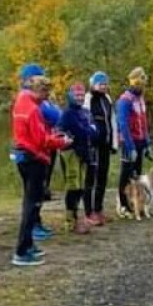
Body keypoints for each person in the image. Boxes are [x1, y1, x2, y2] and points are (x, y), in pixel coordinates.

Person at [10, 71, 70, 267]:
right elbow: (41, 140)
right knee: (31, 205)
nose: (47, 98)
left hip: (23, 156)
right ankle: (21, 251)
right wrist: (62, 142)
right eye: (46, 94)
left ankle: (28, 245)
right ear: (39, 91)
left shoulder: (21, 100)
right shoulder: (33, 110)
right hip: (33, 158)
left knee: (31, 203)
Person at [58, 82, 98, 234]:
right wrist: (88, 130)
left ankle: (75, 218)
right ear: (70, 95)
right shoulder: (67, 113)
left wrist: (88, 130)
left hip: (83, 152)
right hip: (70, 152)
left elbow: (95, 132)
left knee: (81, 186)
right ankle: (70, 221)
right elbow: (81, 131)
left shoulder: (85, 112)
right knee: (73, 186)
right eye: (77, 95)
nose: (80, 98)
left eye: (82, 95)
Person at [116, 66, 150, 216]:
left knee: (136, 174)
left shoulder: (140, 99)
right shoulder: (125, 100)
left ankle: (134, 203)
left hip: (140, 140)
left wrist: (147, 143)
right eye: (141, 82)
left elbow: (144, 121)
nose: (143, 86)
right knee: (126, 173)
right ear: (135, 82)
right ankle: (122, 205)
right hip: (129, 142)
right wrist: (130, 147)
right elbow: (123, 124)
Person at [85, 71, 117, 224]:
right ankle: (89, 212)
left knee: (103, 177)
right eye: (100, 84)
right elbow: (85, 120)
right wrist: (89, 140)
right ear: (93, 84)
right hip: (93, 144)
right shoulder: (89, 98)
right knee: (92, 178)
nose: (104, 86)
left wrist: (114, 143)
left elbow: (112, 122)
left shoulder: (107, 99)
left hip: (105, 143)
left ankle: (99, 209)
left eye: (105, 84)